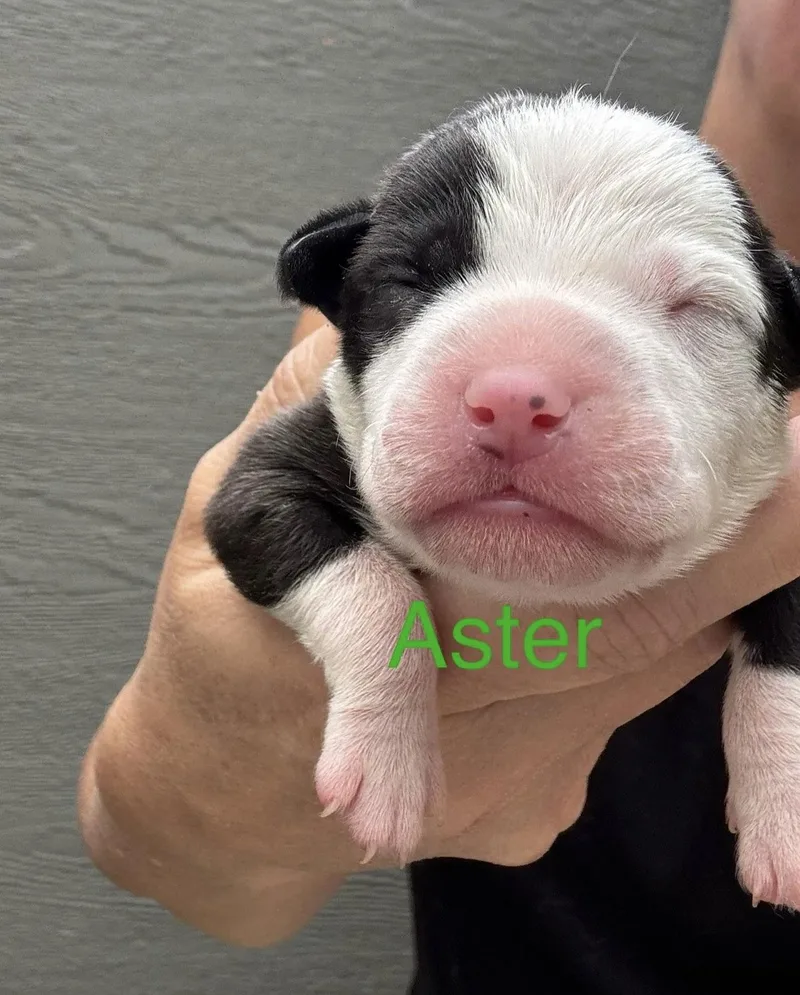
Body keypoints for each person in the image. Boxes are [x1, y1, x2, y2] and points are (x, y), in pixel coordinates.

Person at [77, 2, 800, 991]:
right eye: (420, 287)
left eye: (692, 311)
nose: (518, 393)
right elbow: (191, 876)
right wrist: (190, 787)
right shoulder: (337, 374)